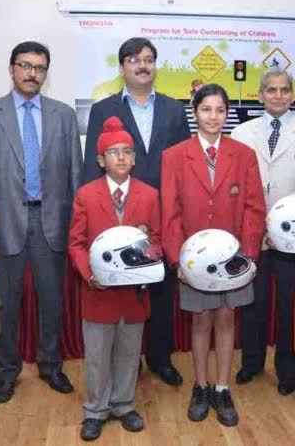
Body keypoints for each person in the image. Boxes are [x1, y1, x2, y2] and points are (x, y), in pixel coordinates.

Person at [0, 41, 83, 403]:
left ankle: (51, 365)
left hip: (52, 221)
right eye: (25, 66)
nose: (32, 73)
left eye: (40, 68)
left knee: (52, 301)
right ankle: (7, 371)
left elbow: (76, 175)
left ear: (46, 73)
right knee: (6, 303)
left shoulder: (64, 115)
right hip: (4, 222)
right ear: (12, 69)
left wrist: (76, 223)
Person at [82, 37, 191, 386]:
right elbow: (92, 166)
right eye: (134, 59)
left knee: (161, 288)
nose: (142, 65)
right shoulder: (103, 110)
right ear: (122, 67)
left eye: (148, 59)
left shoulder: (175, 110)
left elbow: (185, 165)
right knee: (122, 288)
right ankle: (126, 361)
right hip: (118, 213)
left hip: (163, 214)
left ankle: (160, 358)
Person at [161, 84, 265, 427]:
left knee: (226, 318)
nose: (213, 117)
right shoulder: (174, 156)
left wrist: (249, 257)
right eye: (206, 109)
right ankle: (200, 386)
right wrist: (177, 260)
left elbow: (254, 209)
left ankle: (222, 387)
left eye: (220, 110)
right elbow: (170, 213)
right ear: (194, 112)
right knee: (201, 320)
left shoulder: (243, 155)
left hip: (233, 261)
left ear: (227, 114)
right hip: (194, 261)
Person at [230, 68, 295, 394]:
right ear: (260, 95)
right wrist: (259, 224)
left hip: (291, 236)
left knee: (289, 306)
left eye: (284, 90)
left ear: (293, 95)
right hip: (252, 233)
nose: (278, 95)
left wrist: (281, 222)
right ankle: (252, 363)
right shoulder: (241, 132)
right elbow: (236, 184)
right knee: (253, 304)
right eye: (271, 90)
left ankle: (287, 371)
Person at [69, 117, 160, 441]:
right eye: (113, 152)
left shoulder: (149, 195)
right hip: (99, 293)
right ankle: (96, 409)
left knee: (129, 353)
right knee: (97, 356)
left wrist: (149, 261)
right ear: (100, 160)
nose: (121, 157)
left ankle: (124, 404)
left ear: (134, 158)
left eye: (126, 152)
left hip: (134, 295)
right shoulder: (86, 195)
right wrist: (90, 274)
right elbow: (77, 243)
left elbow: (157, 239)